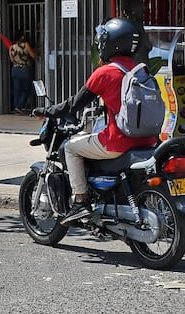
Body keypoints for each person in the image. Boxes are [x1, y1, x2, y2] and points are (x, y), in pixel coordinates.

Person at [37, 18, 160, 223]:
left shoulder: (105, 72)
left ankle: (81, 200)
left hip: (117, 141)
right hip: (147, 140)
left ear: (110, 43)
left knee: (70, 148)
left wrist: (47, 111)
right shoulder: (141, 70)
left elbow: (73, 105)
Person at [8, 31, 37, 115]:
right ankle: (19, 106)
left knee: (16, 90)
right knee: (26, 89)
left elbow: (12, 60)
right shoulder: (25, 45)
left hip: (15, 70)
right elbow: (33, 56)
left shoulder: (11, 47)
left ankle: (16, 107)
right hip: (24, 70)